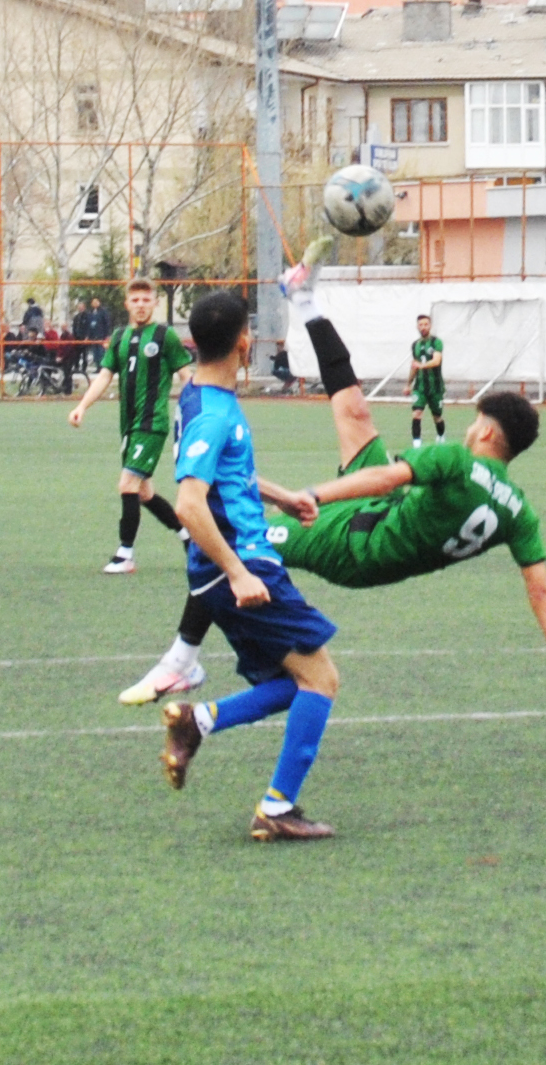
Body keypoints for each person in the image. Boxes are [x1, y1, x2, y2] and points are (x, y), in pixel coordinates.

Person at [119, 238, 546, 717]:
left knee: (233, 544)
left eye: (473, 423)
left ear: (483, 431)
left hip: (356, 543)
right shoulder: (518, 510)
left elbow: (384, 479)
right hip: (384, 517)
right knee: (354, 410)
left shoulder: (457, 462)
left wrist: (308, 496)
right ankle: (304, 300)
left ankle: (182, 658)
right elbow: (543, 590)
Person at [158, 290, 344, 841]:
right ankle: (277, 808)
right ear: (244, 342)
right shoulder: (213, 413)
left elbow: (222, 477)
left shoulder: (197, 393)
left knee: (295, 681)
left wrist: (280, 495)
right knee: (323, 678)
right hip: (241, 567)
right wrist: (239, 573)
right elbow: (190, 504)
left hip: (233, 566)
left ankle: (199, 721)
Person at [67, 277, 193, 574]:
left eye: (145, 300)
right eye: (134, 300)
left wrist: (199, 411)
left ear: (154, 303)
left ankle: (125, 554)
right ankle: (190, 538)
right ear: (127, 304)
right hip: (129, 425)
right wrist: (82, 406)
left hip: (152, 423)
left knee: (127, 484)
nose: (140, 305)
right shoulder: (120, 336)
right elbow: (104, 375)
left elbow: (187, 377)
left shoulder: (165, 336)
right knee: (145, 493)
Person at [404, 313, 445, 447]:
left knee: (437, 417)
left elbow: (436, 361)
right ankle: (417, 444)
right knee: (416, 413)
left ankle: (440, 436)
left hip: (435, 387)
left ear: (430, 326)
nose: (423, 327)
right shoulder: (415, 345)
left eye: (426, 324)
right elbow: (414, 366)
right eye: (420, 325)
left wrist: (421, 365)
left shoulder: (436, 342)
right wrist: (408, 384)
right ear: (417, 327)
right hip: (420, 387)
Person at [84, 297, 111, 372]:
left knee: (101, 352)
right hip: (93, 336)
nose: (95, 303)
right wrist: (88, 336)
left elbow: (107, 323)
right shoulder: (90, 312)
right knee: (95, 353)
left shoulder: (103, 312)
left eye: (96, 302)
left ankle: (102, 367)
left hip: (101, 336)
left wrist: (107, 335)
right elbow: (88, 325)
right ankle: (97, 367)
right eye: (93, 302)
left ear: (99, 302)